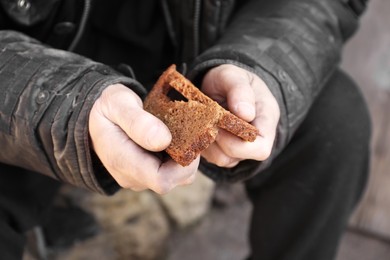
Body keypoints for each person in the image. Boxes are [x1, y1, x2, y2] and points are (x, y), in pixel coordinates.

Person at [0, 0, 371, 259]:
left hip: (189, 45)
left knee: (335, 122)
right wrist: (68, 105)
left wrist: (261, 67)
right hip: (23, 82)